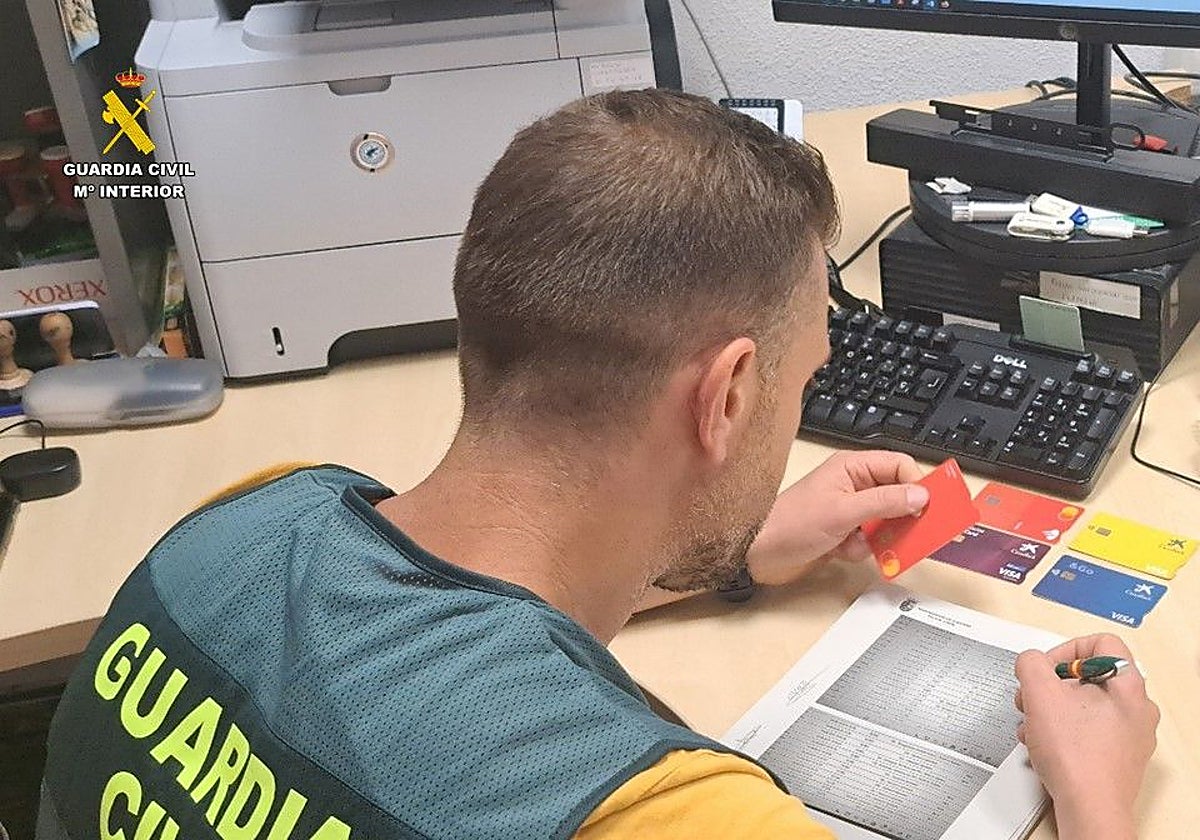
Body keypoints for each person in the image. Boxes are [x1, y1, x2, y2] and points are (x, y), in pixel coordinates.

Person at [38, 90, 1157, 840]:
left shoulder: (229, 528)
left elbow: (425, 632)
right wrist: (1098, 802)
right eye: (803, 379)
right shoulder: (679, 816)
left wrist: (729, 557)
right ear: (723, 397)